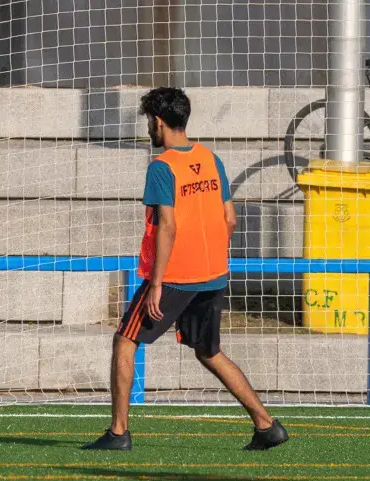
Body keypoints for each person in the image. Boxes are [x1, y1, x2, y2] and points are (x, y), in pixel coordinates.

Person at [81, 87, 288, 452]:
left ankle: (118, 433)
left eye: (149, 121)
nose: (149, 127)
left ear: (159, 122)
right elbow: (230, 219)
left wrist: (157, 283)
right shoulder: (210, 158)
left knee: (125, 341)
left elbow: (168, 226)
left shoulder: (162, 167)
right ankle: (267, 425)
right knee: (208, 352)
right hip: (212, 275)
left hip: (176, 275)